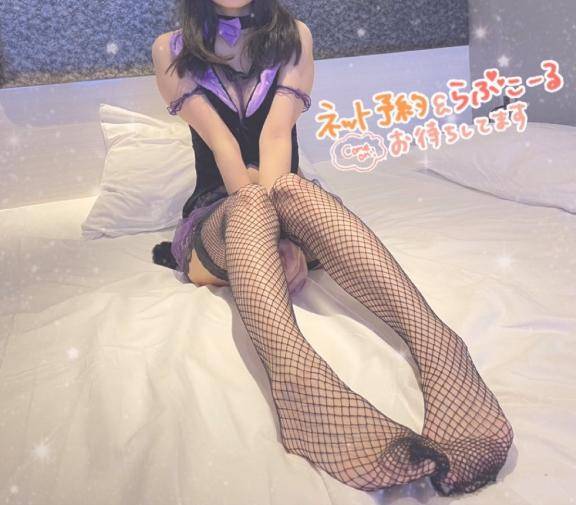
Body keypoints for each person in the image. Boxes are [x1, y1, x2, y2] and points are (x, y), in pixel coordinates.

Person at [150, 0, 514, 496]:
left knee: (293, 188)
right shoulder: (171, 49)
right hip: (220, 215)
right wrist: (272, 233)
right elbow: (223, 147)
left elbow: (276, 135)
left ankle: (439, 346)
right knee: (253, 202)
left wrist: (283, 234)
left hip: (286, 196)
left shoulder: (293, 35)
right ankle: (299, 383)